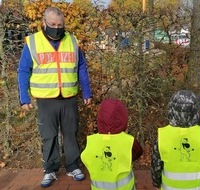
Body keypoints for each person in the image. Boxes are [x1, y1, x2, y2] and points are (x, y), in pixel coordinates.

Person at [17, 7, 92, 188]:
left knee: (71, 134)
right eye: (52, 24)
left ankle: (73, 166)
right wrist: (24, 97)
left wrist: (87, 92)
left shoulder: (72, 41)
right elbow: (23, 70)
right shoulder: (33, 43)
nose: (56, 28)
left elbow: (81, 67)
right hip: (45, 100)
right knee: (48, 136)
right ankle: (50, 169)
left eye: (60, 25)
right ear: (44, 23)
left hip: (69, 97)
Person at [151, 90, 200, 190]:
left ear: (171, 109)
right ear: (195, 110)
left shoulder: (163, 136)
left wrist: (156, 183)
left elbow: (156, 167)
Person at [81, 98, 143, 190]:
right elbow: (138, 153)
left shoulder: (92, 141)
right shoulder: (129, 141)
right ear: (123, 118)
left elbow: (84, 158)